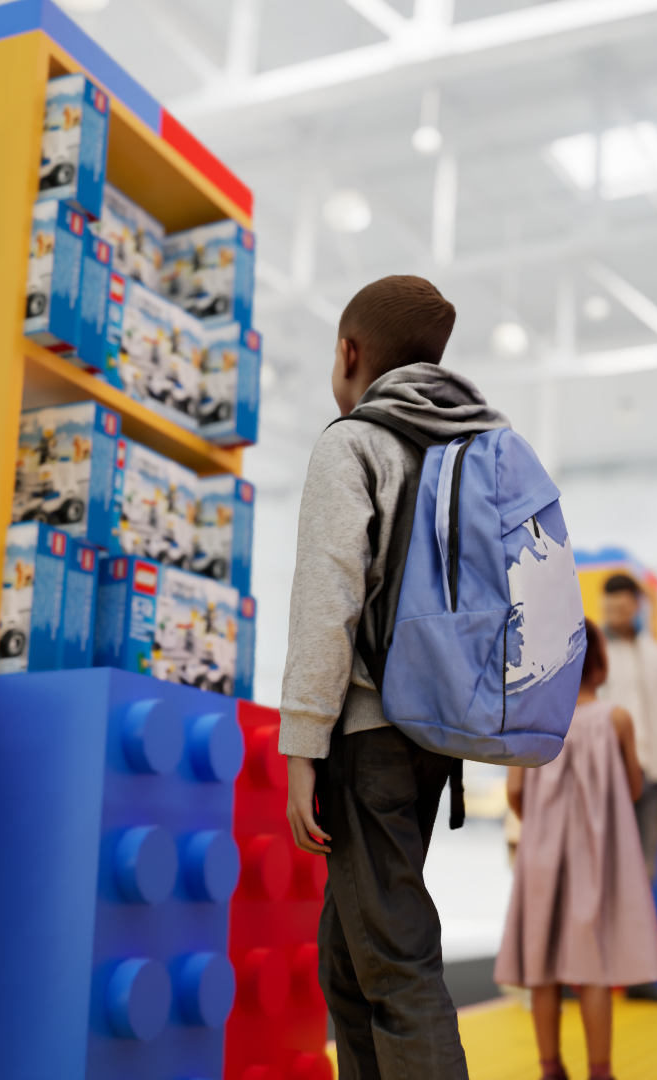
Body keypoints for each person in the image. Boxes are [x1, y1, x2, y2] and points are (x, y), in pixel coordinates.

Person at [279, 275, 509, 1080]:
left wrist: (302, 743)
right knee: (350, 962)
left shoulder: (353, 443)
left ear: (349, 353)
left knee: (397, 964)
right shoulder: (469, 445)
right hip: (434, 732)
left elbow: (327, 600)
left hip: (368, 730)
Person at [496, 619, 657, 1080]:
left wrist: (542, 822)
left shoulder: (531, 718)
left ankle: (550, 1067)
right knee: (592, 967)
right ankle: (600, 1070)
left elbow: (516, 792)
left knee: (542, 964)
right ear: (601, 664)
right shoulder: (616, 719)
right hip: (596, 854)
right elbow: (632, 788)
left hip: (541, 852)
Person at [593, 572, 657, 1003]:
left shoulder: (652, 652)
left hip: (652, 777)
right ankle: (586, 974)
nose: (614, 615)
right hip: (610, 778)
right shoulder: (595, 650)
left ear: (636, 604)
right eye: (609, 608)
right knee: (602, 873)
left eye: (621, 607)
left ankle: (636, 976)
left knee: (643, 874)